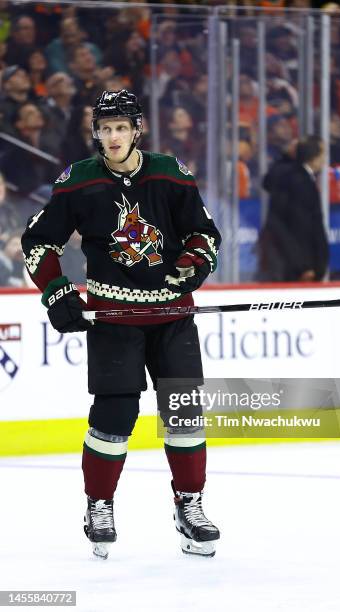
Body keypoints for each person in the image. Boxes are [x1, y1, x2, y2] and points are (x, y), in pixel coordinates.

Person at [21, 89, 221, 560]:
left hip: (172, 314)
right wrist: (57, 290)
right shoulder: (78, 182)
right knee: (114, 417)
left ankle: (189, 505)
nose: (112, 137)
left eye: (120, 128)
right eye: (105, 128)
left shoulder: (171, 174)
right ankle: (99, 504)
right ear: (96, 132)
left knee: (184, 414)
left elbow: (204, 233)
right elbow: (38, 242)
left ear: (137, 131)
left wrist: (194, 262)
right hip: (114, 317)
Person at [257, 135, 329, 282]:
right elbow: (300, 228)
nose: (325, 159)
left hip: (295, 262)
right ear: (314, 157)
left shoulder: (298, 177)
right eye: (323, 154)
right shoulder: (300, 182)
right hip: (297, 266)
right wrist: (304, 265)